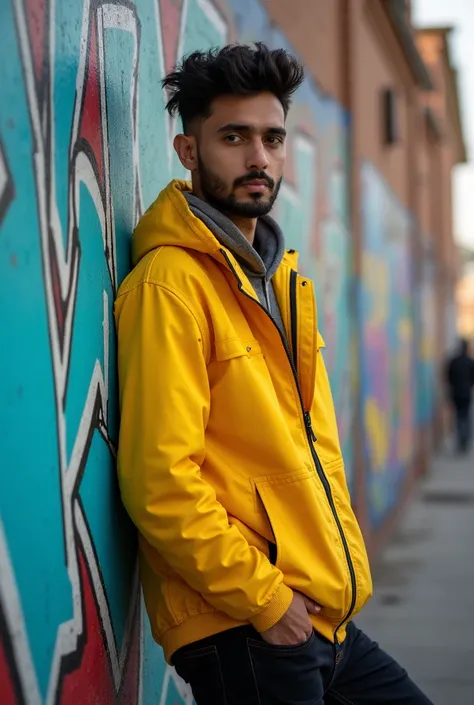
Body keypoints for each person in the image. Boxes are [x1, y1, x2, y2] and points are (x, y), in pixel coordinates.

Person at [115, 43, 433, 705]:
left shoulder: (278, 279)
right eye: (233, 137)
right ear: (188, 150)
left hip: (321, 617)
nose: (258, 157)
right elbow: (159, 481)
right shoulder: (170, 285)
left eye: (272, 137)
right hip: (249, 625)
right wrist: (267, 600)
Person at [446, 338, 474, 453]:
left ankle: (460, 440)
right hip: (466, 393)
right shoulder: (470, 362)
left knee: (458, 417)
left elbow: (449, 377)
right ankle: (464, 440)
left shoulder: (454, 361)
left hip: (456, 393)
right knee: (466, 416)